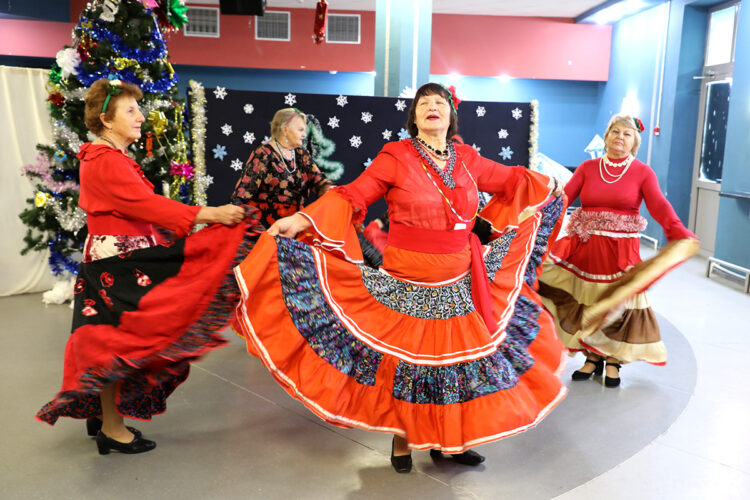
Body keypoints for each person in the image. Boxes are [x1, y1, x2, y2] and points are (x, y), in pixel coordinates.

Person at [232, 83, 567, 473]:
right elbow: (351, 195)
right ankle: (402, 439)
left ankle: (451, 443)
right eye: (423, 103)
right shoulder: (396, 155)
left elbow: (513, 181)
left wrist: (552, 185)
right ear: (414, 117)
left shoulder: (467, 159)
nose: (431, 107)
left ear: (450, 115)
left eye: (439, 102)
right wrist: (300, 219)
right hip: (408, 278)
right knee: (406, 365)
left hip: (460, 278)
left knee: (452, 365)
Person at [36, 77, 258, 455]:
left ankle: (105, 416)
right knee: (121, 340)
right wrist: (211, 214)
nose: (141, 116)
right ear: (107, 121)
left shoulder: (108, 156)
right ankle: (109, 425)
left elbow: (142, 207)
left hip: (119, 257)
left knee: (113, 339)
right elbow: (148, 205)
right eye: (131, 110)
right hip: (117, 262)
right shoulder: (105, 160)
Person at [538, 114, 699, 387]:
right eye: (615, 131)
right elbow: (563, 199)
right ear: (607, 135)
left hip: (621, 253)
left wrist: (677, 231)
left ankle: (613, 359)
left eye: (626, 133)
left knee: (618, 304)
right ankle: (591, 356)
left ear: (634, 141)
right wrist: (536, 221)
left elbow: (659, 205)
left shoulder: (642, 172)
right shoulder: (588, 168)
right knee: (586, 302)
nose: (619, 137)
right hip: (584, 251)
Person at [230, 107, 331, 228]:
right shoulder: (264, 153)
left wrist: (338, 193)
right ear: (285, 130)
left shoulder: (301, 155)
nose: (304, 135)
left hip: (294, 226)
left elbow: (320, 183)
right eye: (300, 130)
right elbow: (243, 192)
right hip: (266, 227)